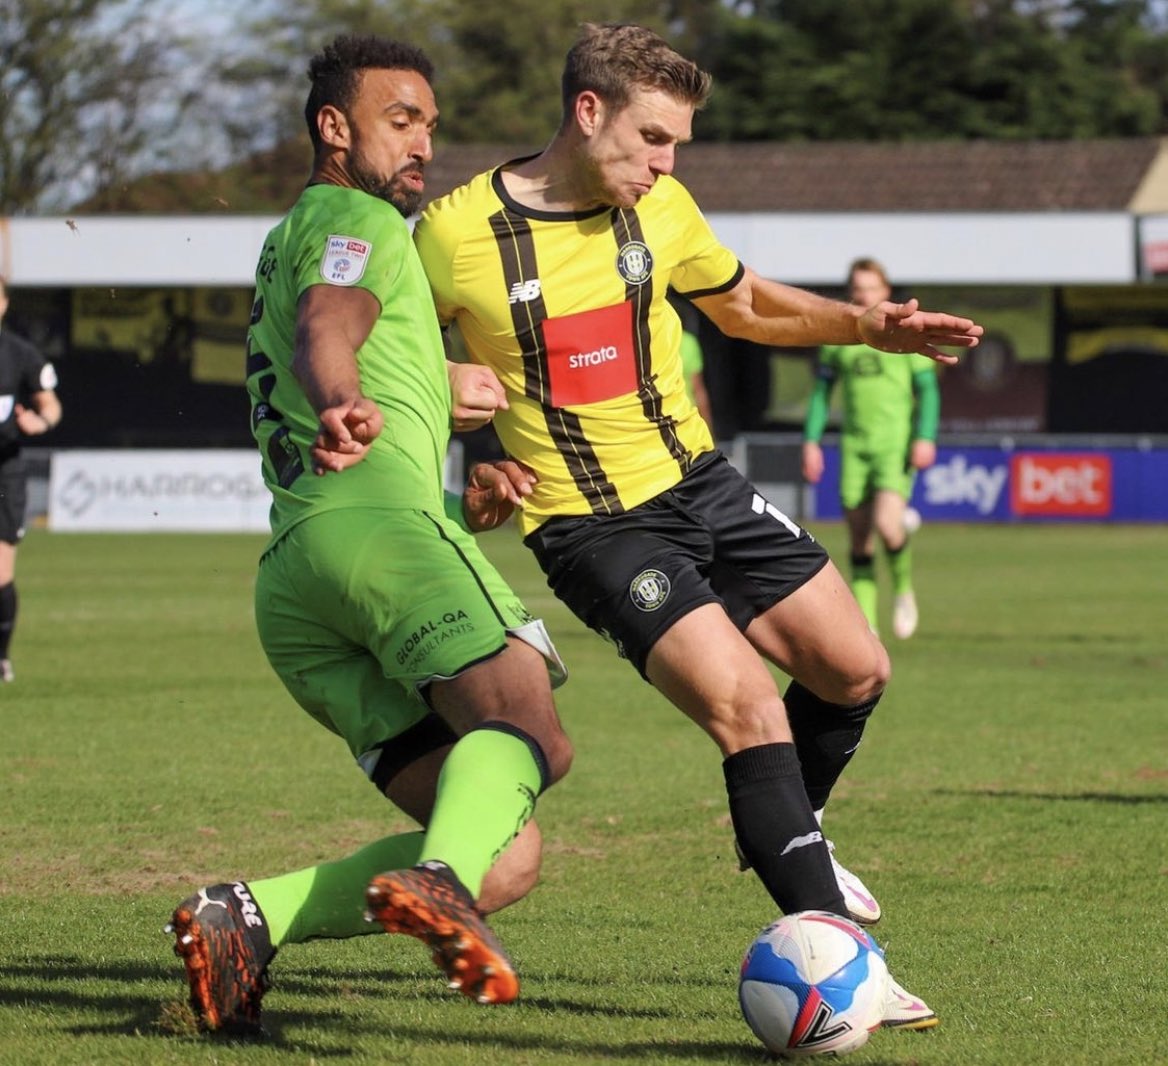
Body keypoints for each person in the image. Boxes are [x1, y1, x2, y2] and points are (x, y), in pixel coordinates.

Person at [413, 22, 984, 1032]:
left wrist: (869, 324)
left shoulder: (660, 207)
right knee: (747, 708)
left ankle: (785, 828)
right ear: (588, 113)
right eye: (653, 137)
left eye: (677, 142)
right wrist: (469, 458)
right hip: (593, 528)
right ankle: (836, 951)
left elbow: (746, 305)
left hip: (701, 482)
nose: (667, 163)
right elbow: (402, 369)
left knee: (854, 670)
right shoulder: (453, 236)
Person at [166, 34, 573, 1032]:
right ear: (334, 128)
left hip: (298, 579)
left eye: (431, 123)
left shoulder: (289, 230)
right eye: (401, 120)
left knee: (503, 851)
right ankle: (435, 879)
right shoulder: (357, 218)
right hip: (375, 532)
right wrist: (343, 396)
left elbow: (335, 326)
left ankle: (244, 917)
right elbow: (328, 324)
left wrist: (441, 403)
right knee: (527, 731)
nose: (424, 141)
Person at [802, 258, 940, 640]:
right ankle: (868, 626)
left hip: (893, 446)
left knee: (886, 525)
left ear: (886, 291)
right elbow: (820, 394)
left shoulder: (906, 336)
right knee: (859, 539)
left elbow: (927, 391)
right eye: (857, 287)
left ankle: (903, 591)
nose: (863, 294)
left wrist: (925, 436)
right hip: (854, 446)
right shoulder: (842, 338)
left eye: (871, 287)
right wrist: (811, 442)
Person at [0, 274, 62, 683]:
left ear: (4, 304)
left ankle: (1, 657)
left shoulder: (19, 354)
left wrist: (39, 421)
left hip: (4, 472)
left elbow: (51, 406)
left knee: (0, 574)